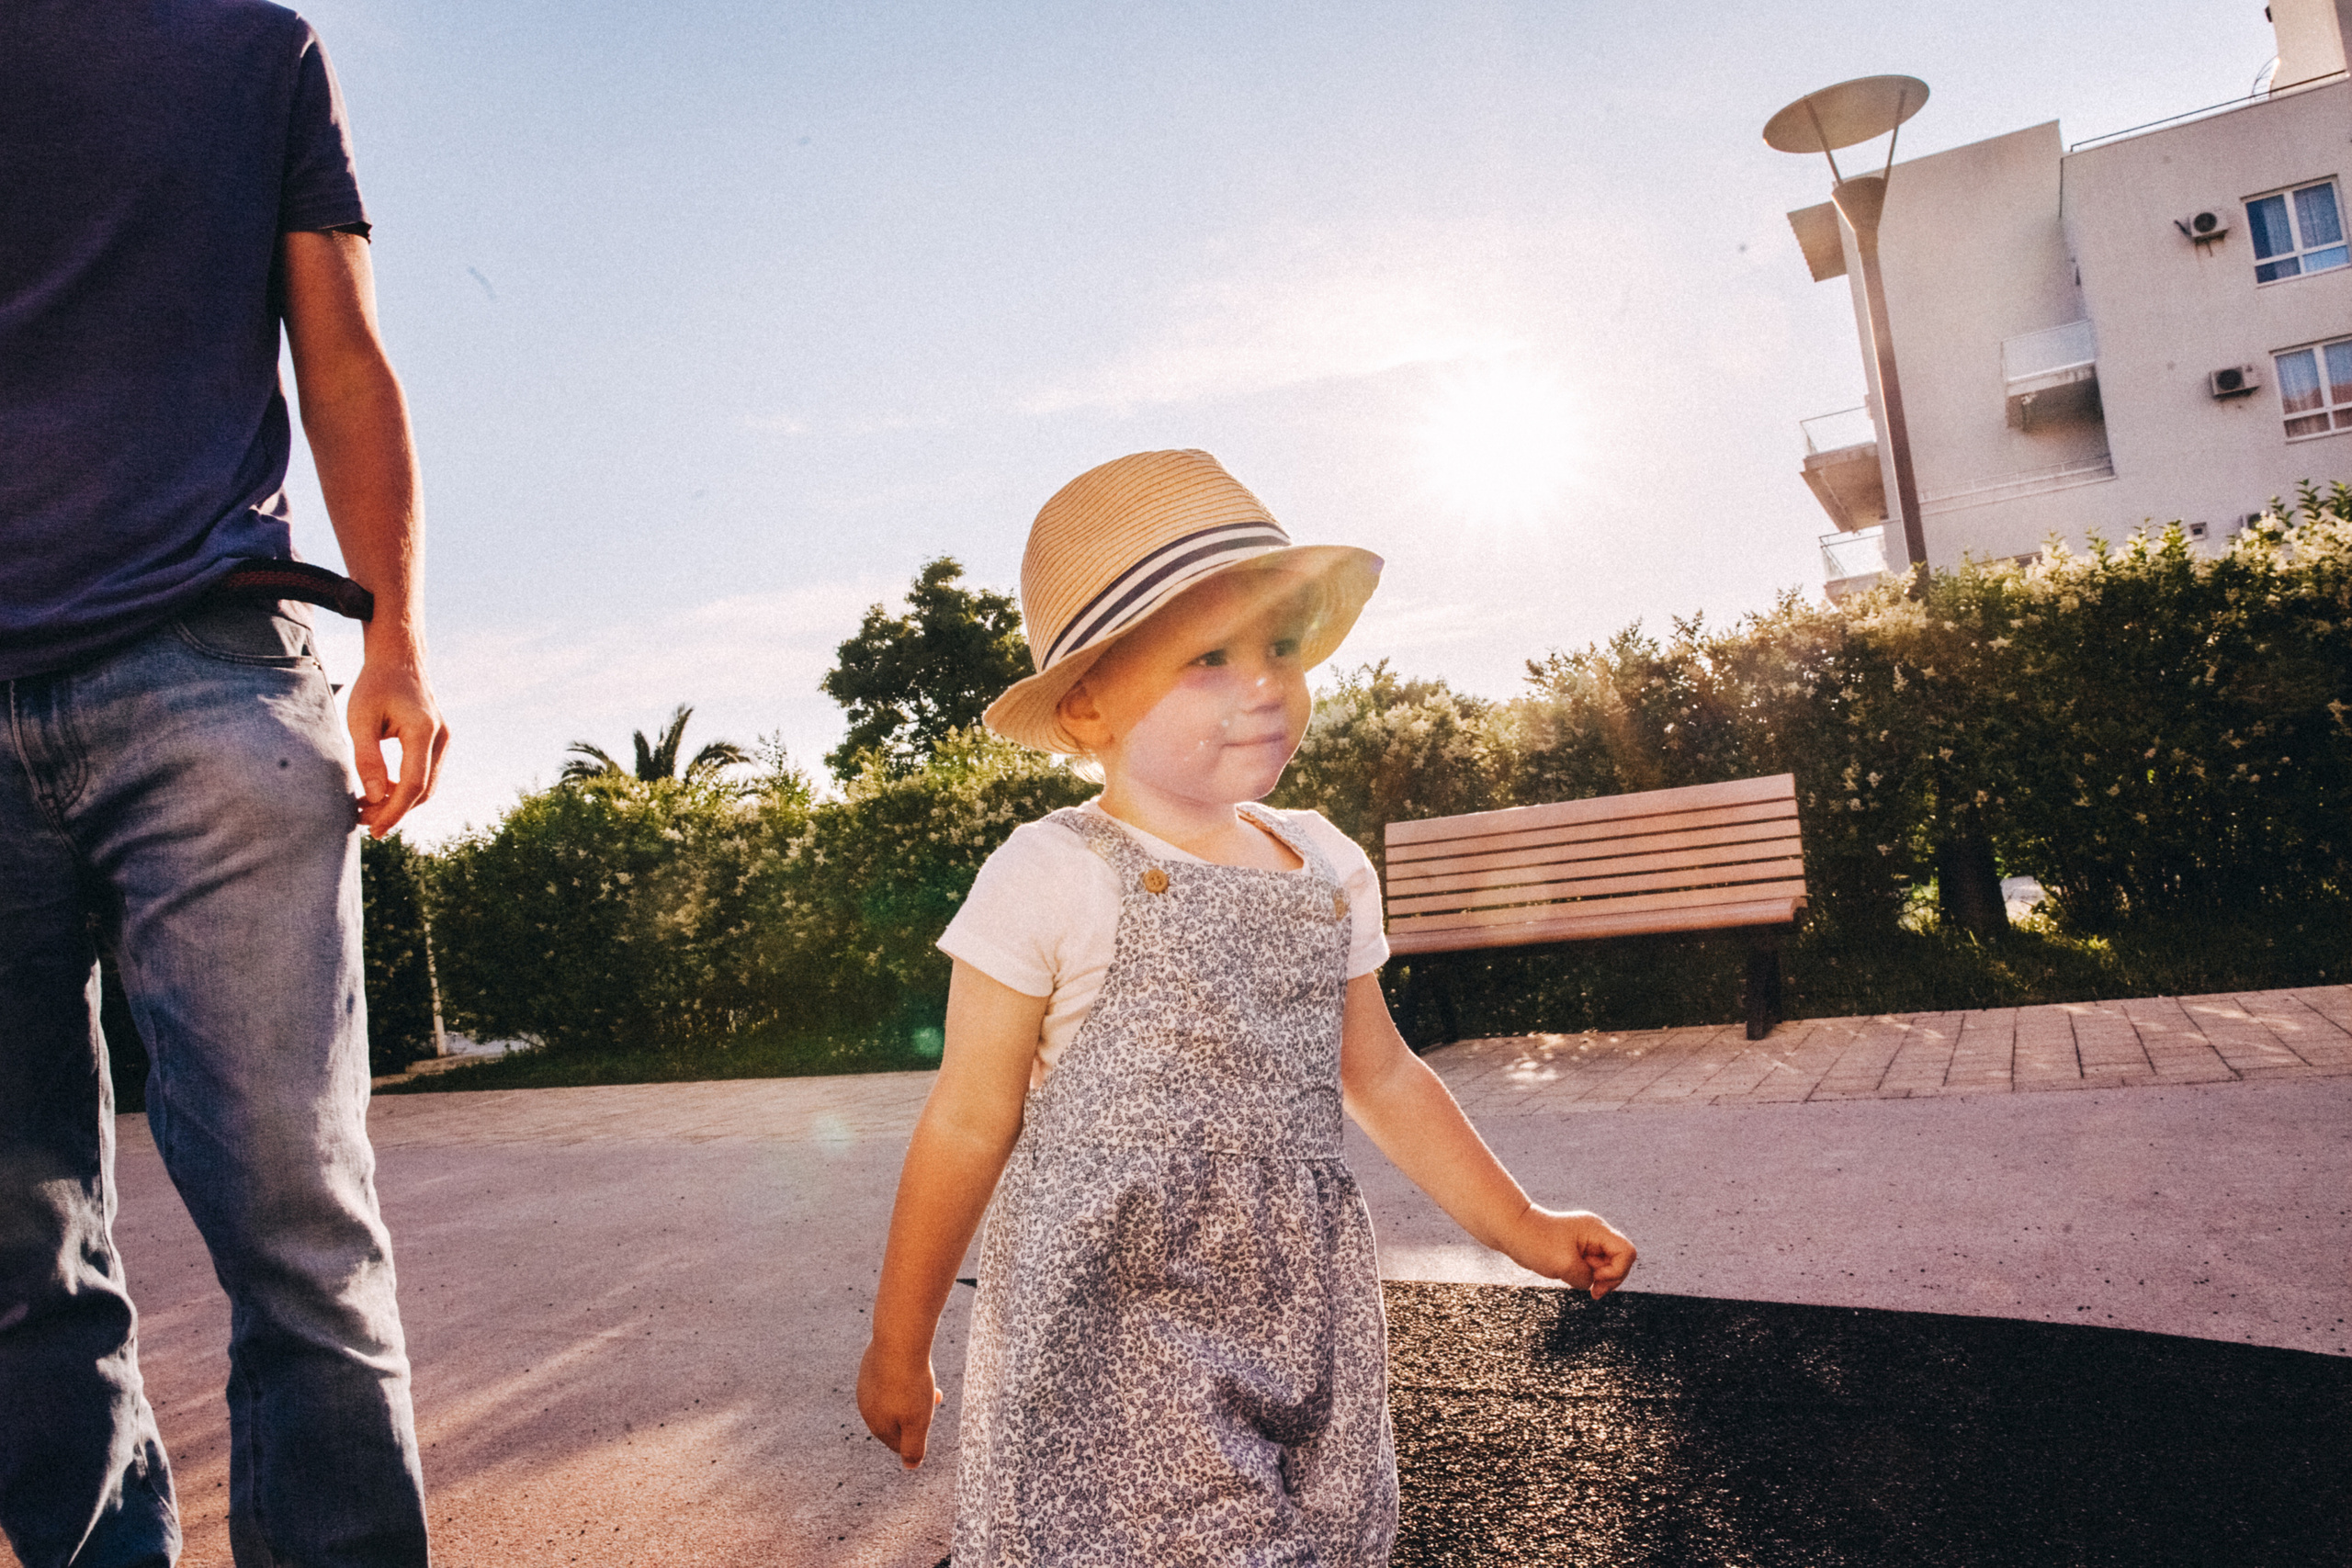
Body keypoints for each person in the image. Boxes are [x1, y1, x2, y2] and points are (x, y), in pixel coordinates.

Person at [855, 449, 1636, 1564]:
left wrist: (1519, 1225)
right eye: (1207, 658)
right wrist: (901, 1340)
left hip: (1300, 1296)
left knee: (1316, 1533)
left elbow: (1380, 1075)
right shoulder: (1052, 872)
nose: (1264, 682)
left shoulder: (1322, 862)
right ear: (1087, 706)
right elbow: (969, 1119)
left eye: (1279, 646)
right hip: (1118, 1316)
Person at [0, 2, 447, 1563]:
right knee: (17, 1254)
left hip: (209, 672)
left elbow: (341, 344)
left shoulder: (255, 48)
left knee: (298, 1227)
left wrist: (394, 638)